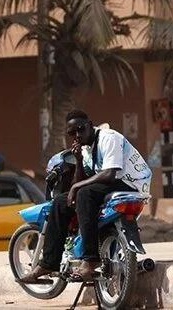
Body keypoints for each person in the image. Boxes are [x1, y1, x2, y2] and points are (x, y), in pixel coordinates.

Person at [18, 110, 152, 283]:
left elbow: (110, 174)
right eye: (72, 133)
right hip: (112, 185)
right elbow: (85, 181)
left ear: (90, 125)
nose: (77, 135)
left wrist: (76, 187)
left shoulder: (108, 138)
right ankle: (49, 263)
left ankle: (90, 259)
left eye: (80, 129)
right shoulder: (86, 150)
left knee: (84, 193)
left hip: (132, 183)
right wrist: (79, 160)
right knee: (60, 202)